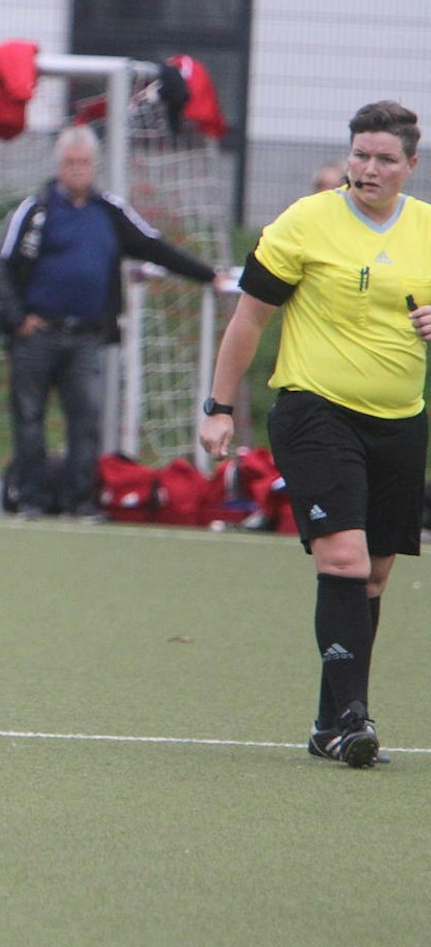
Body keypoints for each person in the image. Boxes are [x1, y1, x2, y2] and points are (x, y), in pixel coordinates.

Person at [199, 100, 431, 769]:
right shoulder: (304, 222)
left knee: (374, 576)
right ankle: (354, 717)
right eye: (360, 155)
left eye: (385, 158)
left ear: (410, 166)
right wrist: (218, 406)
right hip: (315, 412)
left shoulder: (425, 229)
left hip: (400, 422)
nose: (369, 168)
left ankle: (330, 725)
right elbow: (249, 319)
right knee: (344, 561)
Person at [0, 125, 224, 520]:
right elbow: (0, 269)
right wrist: (18, 319)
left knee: (86, 421)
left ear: (94, 165)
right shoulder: (35, 210)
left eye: (83, 162)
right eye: (70, 162)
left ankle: (81, 500)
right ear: (58, 165)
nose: (77, 168)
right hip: (37, 335)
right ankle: (32, 498)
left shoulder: (109, 211)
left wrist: (206, 273)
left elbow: (153, 246)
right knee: (29, 419)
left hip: (87, 337)